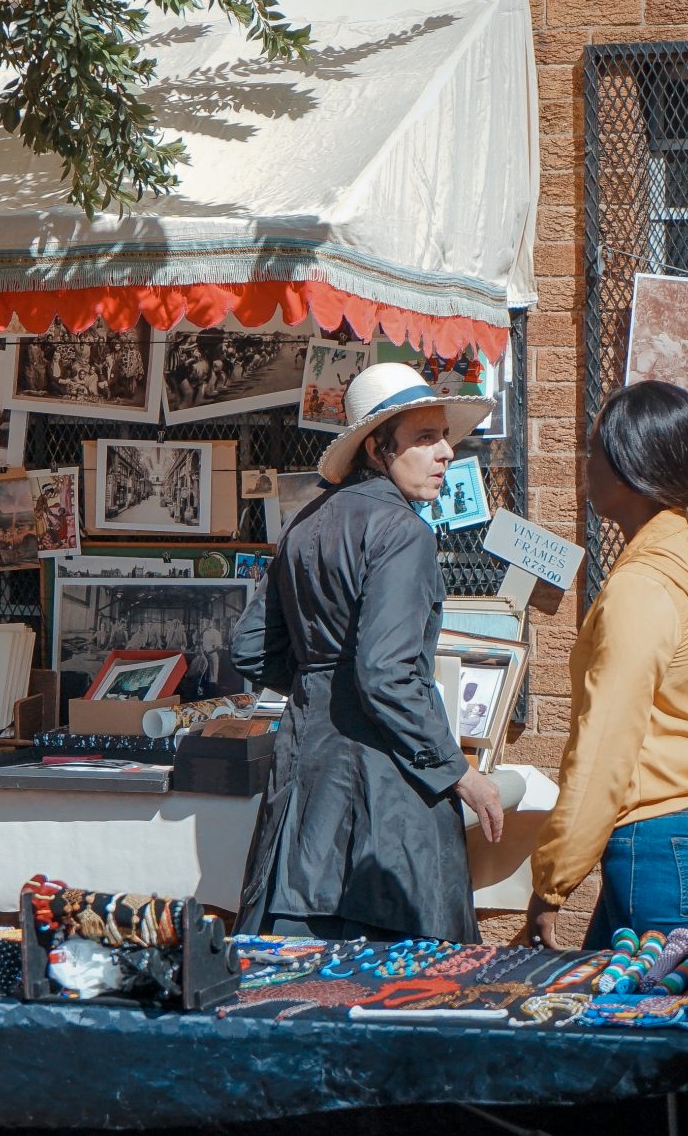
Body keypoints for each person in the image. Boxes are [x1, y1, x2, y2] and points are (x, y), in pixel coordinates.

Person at [230, 362, 504, 943]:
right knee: (404, 995)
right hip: (387, 797)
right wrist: (461, 775)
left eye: (445, 438)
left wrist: (321, 683)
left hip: (307, 789)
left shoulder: (304, 524)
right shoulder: (403, 531)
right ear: (378, 448)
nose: (446, 454)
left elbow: (250, 649)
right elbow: (385, 674)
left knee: (293, 993)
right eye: (425, 439)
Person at [522, 381, 688, 948]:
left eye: (594, 450)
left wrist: (553, 881)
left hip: (662, 841)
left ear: (628, 470)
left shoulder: (642, 587)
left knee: (649, 1026)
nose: (584, 465)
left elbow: (606, 744)